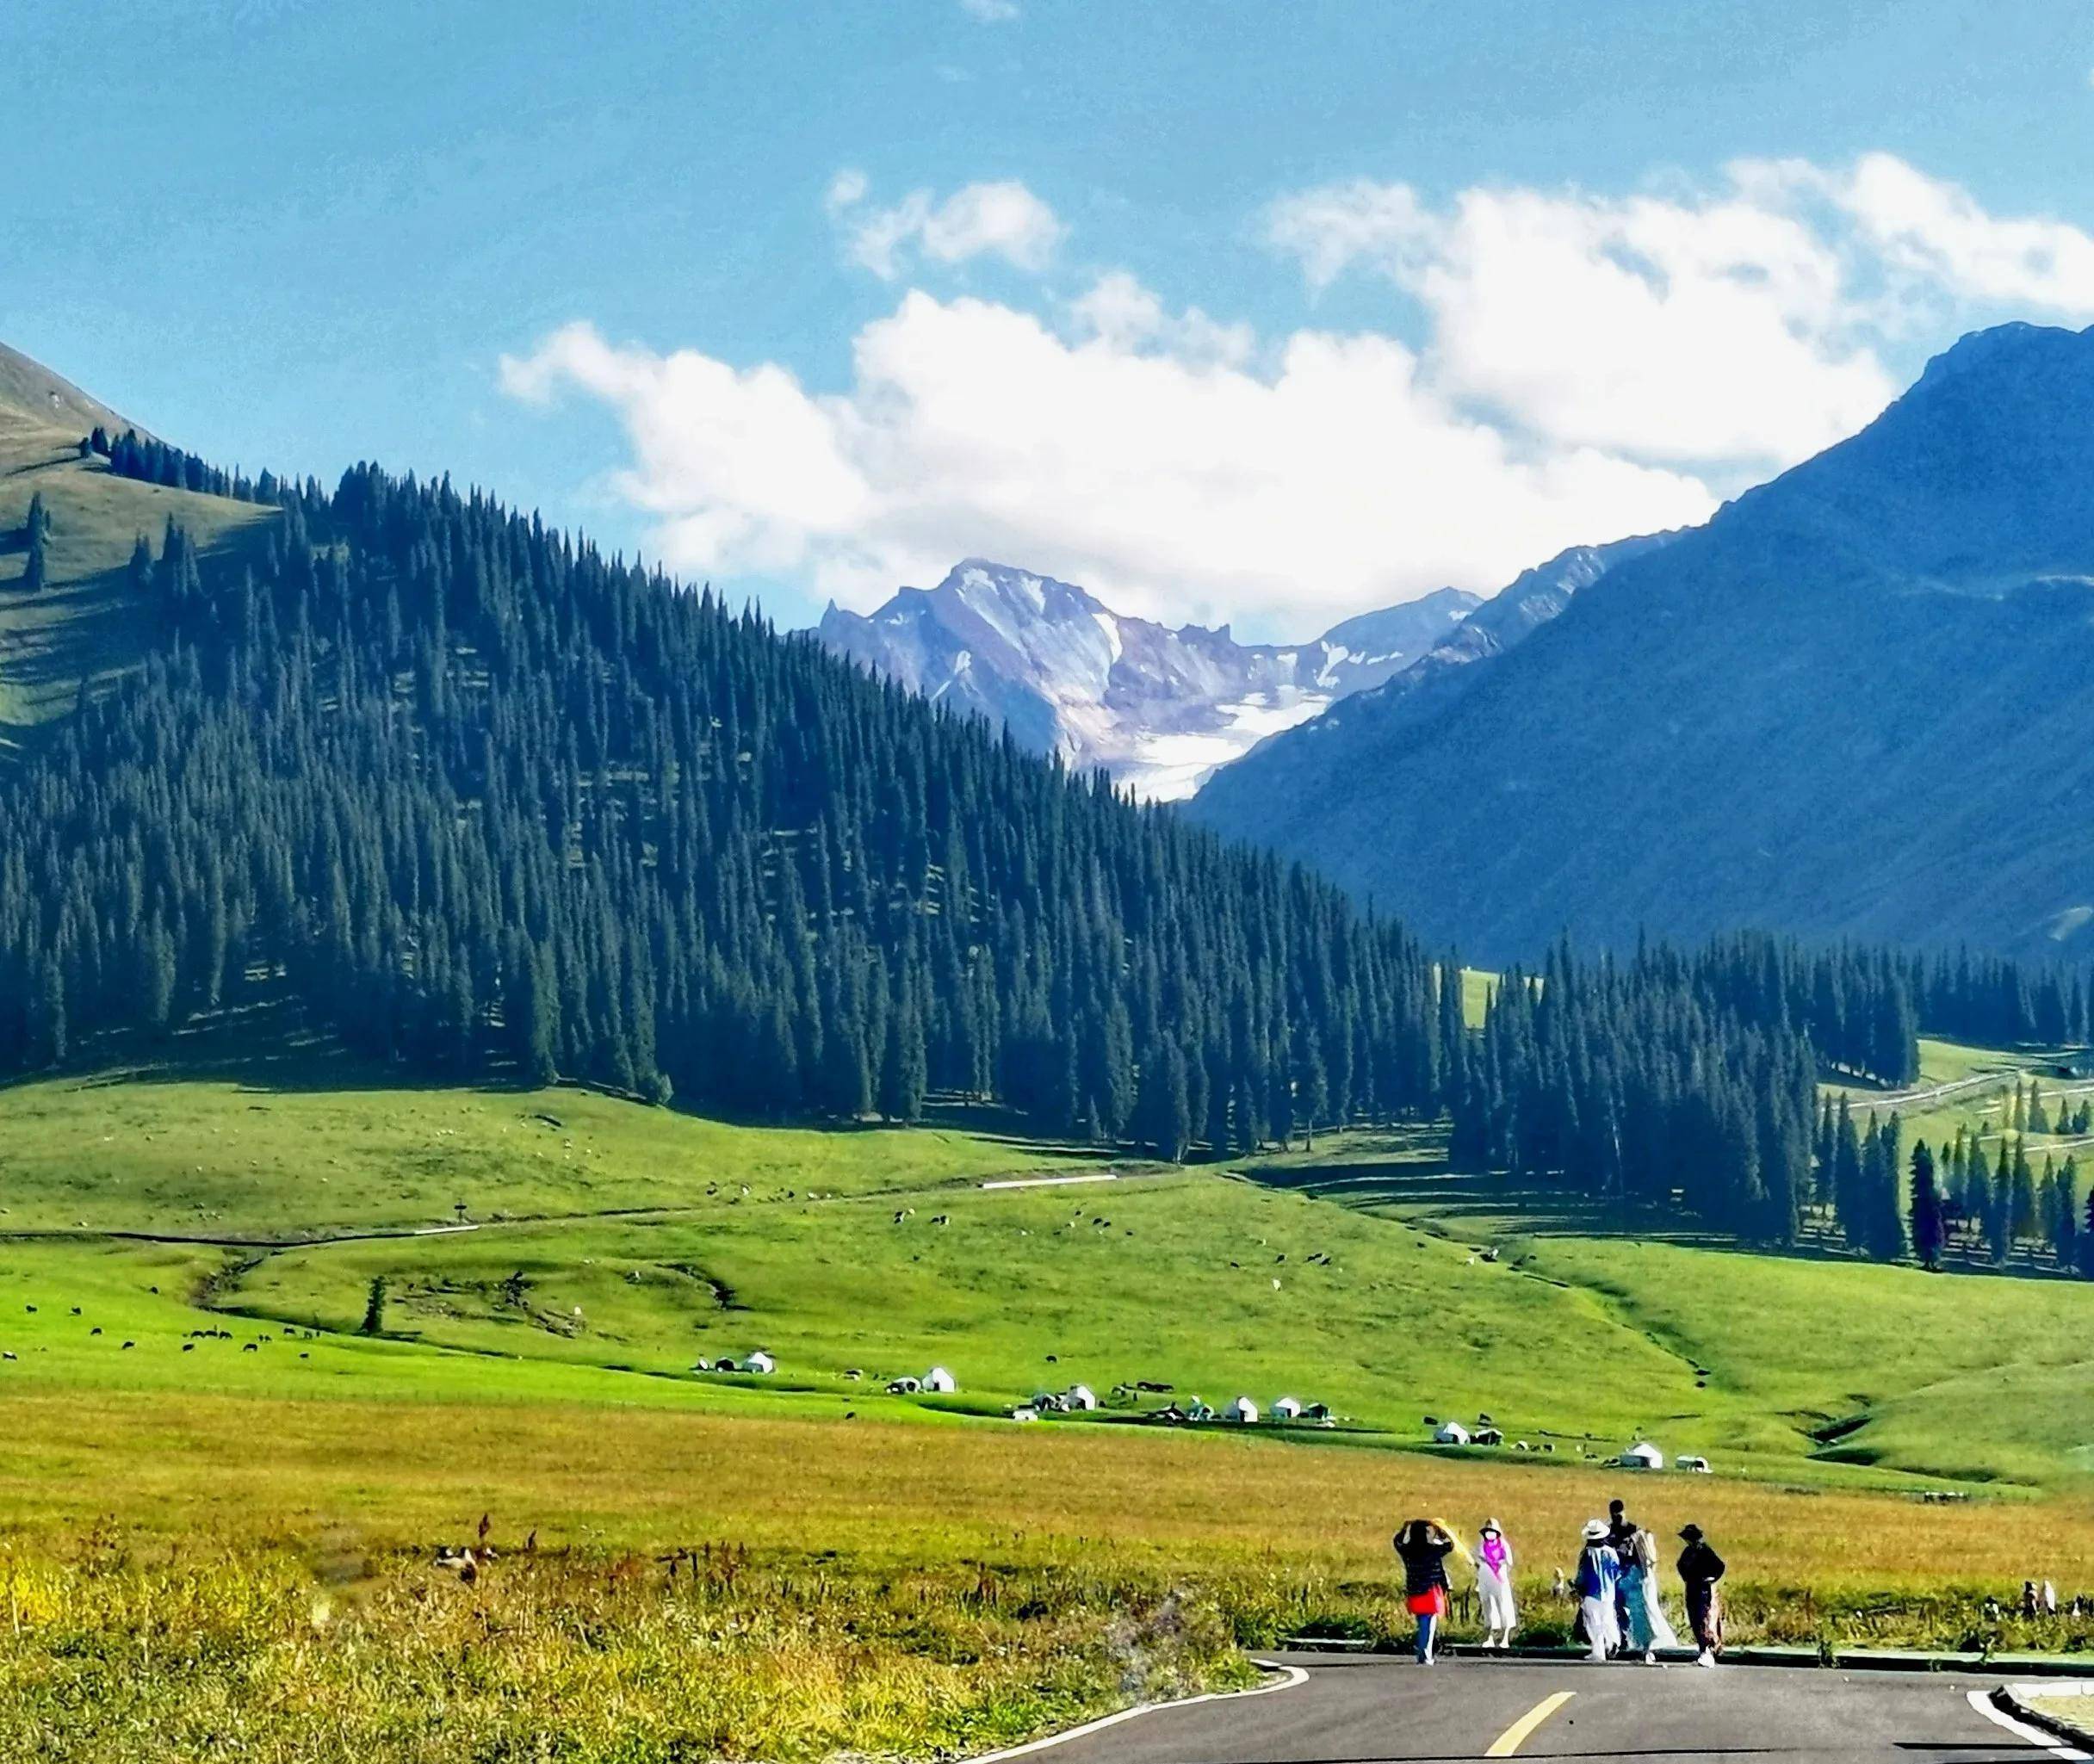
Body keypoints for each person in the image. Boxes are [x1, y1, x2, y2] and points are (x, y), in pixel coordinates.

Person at [1393, 1519, 1465, 1665]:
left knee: (1422, 1623)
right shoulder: (1433, 1550)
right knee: (1429, 1624)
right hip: (1430, 1591)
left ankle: (1423, 1653)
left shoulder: (1408, 1551)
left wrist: (1404, 1529)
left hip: (1414, 1590)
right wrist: (1440, 1529)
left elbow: (1397, 1542)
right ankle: (1425, 1654)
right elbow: (1450, 1545)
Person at [1620, 1529, 1679, 1662]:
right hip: (1638, 1602)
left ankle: (1648, 1648)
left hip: (1641, 1601)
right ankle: (1645, 1649)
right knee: (1643, 1622)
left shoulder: (1642, 1571)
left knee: (1647, 1620)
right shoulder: (1643, 1568)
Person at [1676, 1524, 1725, 1667]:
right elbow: (1680, 1566)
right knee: (1695, 1619)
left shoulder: (1705, 1550)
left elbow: (1720, 1567)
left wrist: (1710, 1579)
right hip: (1692, 1588)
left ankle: (1707, 1650)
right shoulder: (1688, 1551)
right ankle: (1703, 1650)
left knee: (1703, 1618)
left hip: (1703, 1590)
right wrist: (1688, 1578)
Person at [1575, 1520, 1621, 1662]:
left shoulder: (1587, 1554)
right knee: (1608, 1620)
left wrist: (1578, 1587)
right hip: (1608, 1593)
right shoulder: (1611, 1552)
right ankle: (1613, 1642)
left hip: (1591, 1593)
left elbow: (1582, 1575)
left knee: (1594, 1623)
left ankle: (1599, 1652)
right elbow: (1617, 1573)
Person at [1475, 1519, 1516, 1648]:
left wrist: (1497, 1563)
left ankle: (1505, 1638)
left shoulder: (1503, 1545)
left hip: (1499, 1579)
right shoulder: (1482, 1545)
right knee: (1488, 1607)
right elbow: (1478, 1559)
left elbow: (1509, 1561)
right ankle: (1490, 1637)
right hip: (1485, 1579)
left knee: (1503, 1606)